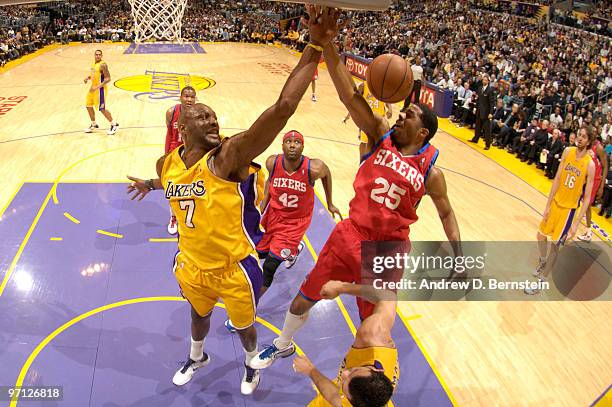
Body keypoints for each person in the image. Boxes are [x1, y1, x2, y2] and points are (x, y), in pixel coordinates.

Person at [125, 6, 340, 394]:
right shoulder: (169, 163)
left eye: (214, 117)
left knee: (244, 326)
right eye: (203, 117)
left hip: (233, 265)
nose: (213, 121)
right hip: (192, 263)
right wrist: (151, 183)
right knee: (198, 314)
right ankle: (196, 355)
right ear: (181, 126)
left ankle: (250, 363)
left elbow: (282, 109)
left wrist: (313, 46)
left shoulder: (226, 158)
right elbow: (174, 182)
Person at [251, 33, 461, 369]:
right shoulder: (380, 133)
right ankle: (282, 343)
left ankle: (359, 373)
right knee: (304, 298)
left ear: (423, 133)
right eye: (403, 111)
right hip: (350, 233)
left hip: (386, 251)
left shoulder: (431, 174)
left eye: (410, 116)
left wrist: (458, 255)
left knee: (374, 326)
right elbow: (349, 96)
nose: (401, 117)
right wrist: (327, 43)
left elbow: (447, 214)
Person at [225, 129, 342, 332]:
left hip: (295, 224)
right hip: (274, 218)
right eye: (289, 141)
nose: (293, 145)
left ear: (303, 147)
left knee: (269, 268)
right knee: (255, 253)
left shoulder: (313, 167)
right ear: (283, 145)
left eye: (297, 142)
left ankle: (248, 310)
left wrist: (330, 203)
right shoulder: (273, 162)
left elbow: (327, 174)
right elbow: (270, 181)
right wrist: (263, 208)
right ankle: (294, 250)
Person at [294, 281, 398, 407]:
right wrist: (342, 287)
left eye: (344, 384)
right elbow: (388, 297)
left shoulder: (357, 399)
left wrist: (311, 371)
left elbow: (335, 397)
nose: (344, 373)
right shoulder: (372, 335)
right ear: (378, 370)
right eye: (353, 371)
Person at [525, 127, 596, 295]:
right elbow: (557, 178)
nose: (579, 138)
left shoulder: (590, 164)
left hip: (568, 211)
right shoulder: (567, 152)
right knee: (540, 235)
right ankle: (543, 261)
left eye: (584, 137)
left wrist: (577, 224)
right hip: (556, 203)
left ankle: (541, 281)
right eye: (579, 135)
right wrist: (548, 205)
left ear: (589, 141)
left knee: (555, 247)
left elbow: (587, 198)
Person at [165, 86, 196, 235]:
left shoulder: (200, 113)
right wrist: (166, 156)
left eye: (192, 97)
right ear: (181, 97)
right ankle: (173, 217)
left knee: (194, 188)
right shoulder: (172, 112)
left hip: (193, 156)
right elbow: (169, 135)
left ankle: (192, 215)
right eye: (186, 96)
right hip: (175, 155)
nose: (189, 99)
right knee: (173, 188)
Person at [343, 81, 392, 157]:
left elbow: (387, 100)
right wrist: (348, 115)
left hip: (380, 121)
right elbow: (354, 102)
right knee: (364, 143)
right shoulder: (363, 86)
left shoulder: (382, 87)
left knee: (380, 145)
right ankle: (362, 162)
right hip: (367, 120)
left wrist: (390, 109)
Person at [577, 136, 607, 242]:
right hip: (585, 176)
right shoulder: (586, 146)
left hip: (595, 179)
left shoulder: (598, 147)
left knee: (587, 204)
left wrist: (601, 186)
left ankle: (588, 232)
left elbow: (605, 166)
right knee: (578, 200)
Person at [84, 49, 119, 135]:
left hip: (100, 89)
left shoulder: (103, 65)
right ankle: (93, 124)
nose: (98, 56)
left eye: (99, 55)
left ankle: (113, 124)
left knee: (102, 109)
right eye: (96, 54)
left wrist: (96, 87)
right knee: (88, 106)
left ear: (102, 56)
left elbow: (108, 78)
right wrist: (87, 78)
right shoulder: (93, 63)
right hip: (93, 88)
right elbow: (93, 74)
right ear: (94, 55)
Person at [469, 75, 495, 149]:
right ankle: (475, 139)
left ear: (488, 81)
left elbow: (492, 103)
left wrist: (491, 113)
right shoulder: (480, 88)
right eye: (483, 80)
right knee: (477, 126)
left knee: (487, 130)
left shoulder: (490, 90)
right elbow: (478, 99)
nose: (484, 81)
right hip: (479, 110)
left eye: (485, 80)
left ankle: (487, 145)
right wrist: (475, 108)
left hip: (486, 113)